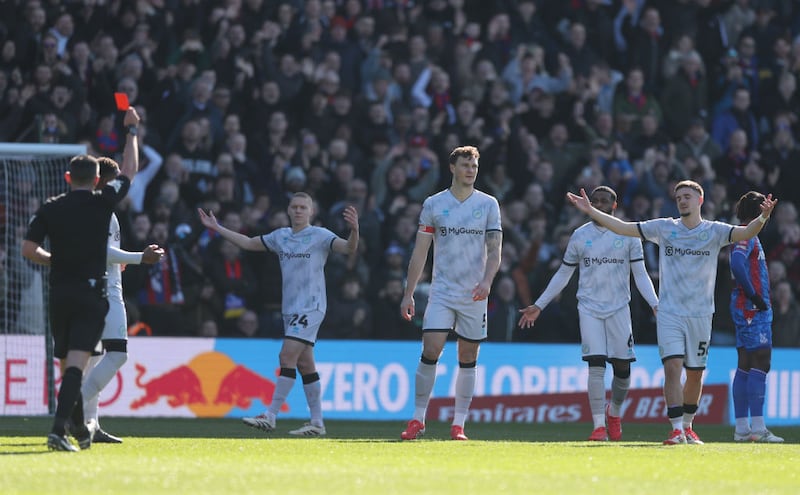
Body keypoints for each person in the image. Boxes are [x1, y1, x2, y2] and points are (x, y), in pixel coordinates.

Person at [565, 180, 777, 445]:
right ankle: (676, 429)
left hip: (700, 314)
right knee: (672, 368)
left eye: (687, 196)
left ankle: (688, 425)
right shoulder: (664, 227)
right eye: (678, 197)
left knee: (696, 373)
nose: (682, 201)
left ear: (700, 200)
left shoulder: (714, 231)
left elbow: (746, 234)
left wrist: (764, 216)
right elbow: (623, 227)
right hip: (669, 313)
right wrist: (592, 212)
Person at [22, 108, 140, 451]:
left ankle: (79, 427)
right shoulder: (103, 204)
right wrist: (131, 131)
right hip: (90, 295)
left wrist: (53, 259)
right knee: (76, 366)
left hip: (58, 292)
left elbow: (28, 249)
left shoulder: (50, 207)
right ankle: (62, 429)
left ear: (68, 177)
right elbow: (130, 170)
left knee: (68, 368)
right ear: (95, 180)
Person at [197, 192, 359, 437]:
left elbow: (348, 249)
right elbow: (249, 243)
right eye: (294, 207)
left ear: (311, 212)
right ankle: (317, 422)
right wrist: (217, 228)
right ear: (288, 210)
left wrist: (354, 231)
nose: (298, 211)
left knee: (286, 356)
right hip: (290, 309)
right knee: (305, 364)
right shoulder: (280, 237)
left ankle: (271, 415)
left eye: (303, 207)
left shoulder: (320, 236)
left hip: (312, 307)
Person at [518, 186, 658, 441]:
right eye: (595, 201)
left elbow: (640, 274)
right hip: (589, 307)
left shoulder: (628, 235)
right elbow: (563, 273)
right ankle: (597, 426)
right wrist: (539, 304)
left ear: (614, 206)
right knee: (595, 365)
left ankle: (613, 412)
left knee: (622, 370)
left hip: (618, 308)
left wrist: (655, 304)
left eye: (605, 201)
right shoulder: (580, 236)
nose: (599, 205)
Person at [399, 145, 502, 441]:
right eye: (466, 165)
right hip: (442, 291)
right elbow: (420, 253)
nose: (471, 170)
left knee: (468, 355)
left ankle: (459, 424)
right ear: (452, 168)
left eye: (474, 166)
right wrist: (408, 293)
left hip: (474, 294)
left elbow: (496, 250)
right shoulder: (434, 204)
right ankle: (418, 419)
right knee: (430, 349)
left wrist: (487, 281)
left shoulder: (488, 204)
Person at [80, 156, 164, 444]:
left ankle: (89, 424)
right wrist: (140, 257)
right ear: (102, 181)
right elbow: (103, 253)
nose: (122, 187)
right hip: (104, 291)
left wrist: (122, 260)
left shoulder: (102, 211)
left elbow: (104, 252)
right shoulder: (99, 210)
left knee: (94, 360)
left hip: (97, 287)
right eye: (117, 181)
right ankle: (72, 407)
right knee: (117, 353)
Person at [729, 191, 784, 443]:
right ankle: (758, 429)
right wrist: (754, 296)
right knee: (761, 362)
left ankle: (742, 429)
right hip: (752, 309)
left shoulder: (747, 234)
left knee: (745, 365)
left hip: (745, 308)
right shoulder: (747, 234)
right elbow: (737, 263)